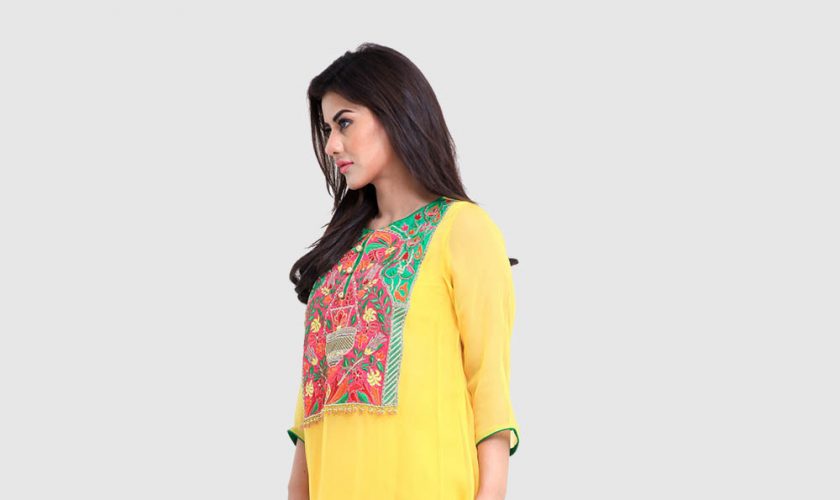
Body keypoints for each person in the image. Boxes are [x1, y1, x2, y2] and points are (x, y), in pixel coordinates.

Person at [286, 42, 520, 500]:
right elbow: (310, 410)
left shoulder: (463, 230)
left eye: (344, 123)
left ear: (393, 113)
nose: (332, 145)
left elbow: (489, 388)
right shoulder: (336, 259)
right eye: (327, 129)